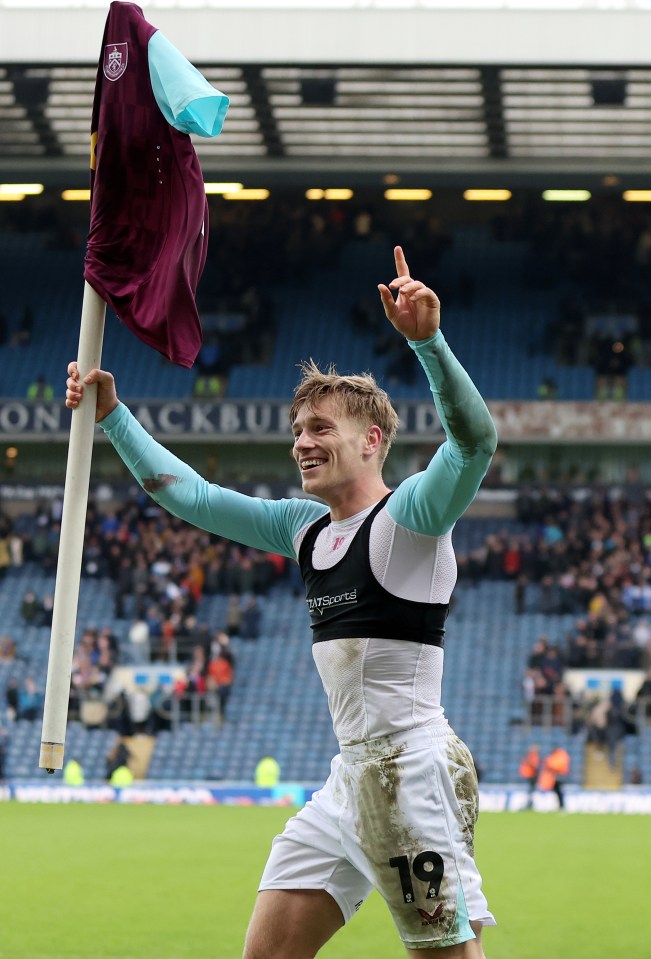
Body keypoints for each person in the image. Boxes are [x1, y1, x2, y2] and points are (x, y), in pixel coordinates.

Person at [66, 246, 497, 958]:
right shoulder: (304, 529)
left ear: (372, 440)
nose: (301, 443)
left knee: (443, 954)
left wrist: (427, 341)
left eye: (320, 429)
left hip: (410, 770)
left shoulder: (411, 516)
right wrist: (114, 416)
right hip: (350, 776)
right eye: (297, 431)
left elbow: (475, 441)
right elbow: (192, 496)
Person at [537, 745, 571, 811]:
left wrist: (549, 764)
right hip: (554, 777)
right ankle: (558, 806)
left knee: (559, 792)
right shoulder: (556, 755)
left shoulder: (561, 755)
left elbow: (556, 765)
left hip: (559, 776)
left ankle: (561, 806)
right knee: (556, 792)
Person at [518, 744, 540, 809]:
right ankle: (529, 804)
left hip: (530, 775)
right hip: (531, 775)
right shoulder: (532, 756)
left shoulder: (529, 756)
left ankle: (529, 804)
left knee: (531, 791)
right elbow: (534, 765)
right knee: (530, 791)